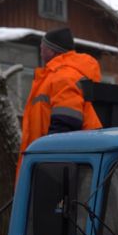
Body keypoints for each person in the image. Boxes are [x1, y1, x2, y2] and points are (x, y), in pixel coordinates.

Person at [16, 28, 102, 177]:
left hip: (53, 167)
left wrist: (50, 164)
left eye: (42, 48)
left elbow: (66, 122)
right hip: (46, 164)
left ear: (52, 50)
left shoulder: (64, 76)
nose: (40, 52)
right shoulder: (53, 76)